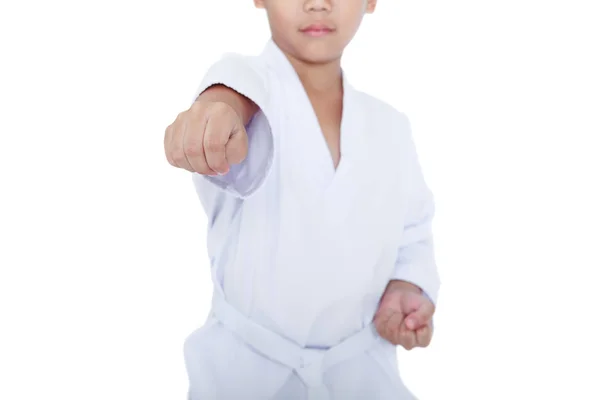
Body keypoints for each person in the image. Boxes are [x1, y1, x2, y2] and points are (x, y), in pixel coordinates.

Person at [163, 0, 441, 398]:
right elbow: (232, 92)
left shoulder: (390, 127)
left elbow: (413, 234)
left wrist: (406, 288)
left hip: (361, 375)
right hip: (245, 379)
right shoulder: (247, 85)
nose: (317, 3)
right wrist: (213, 114)